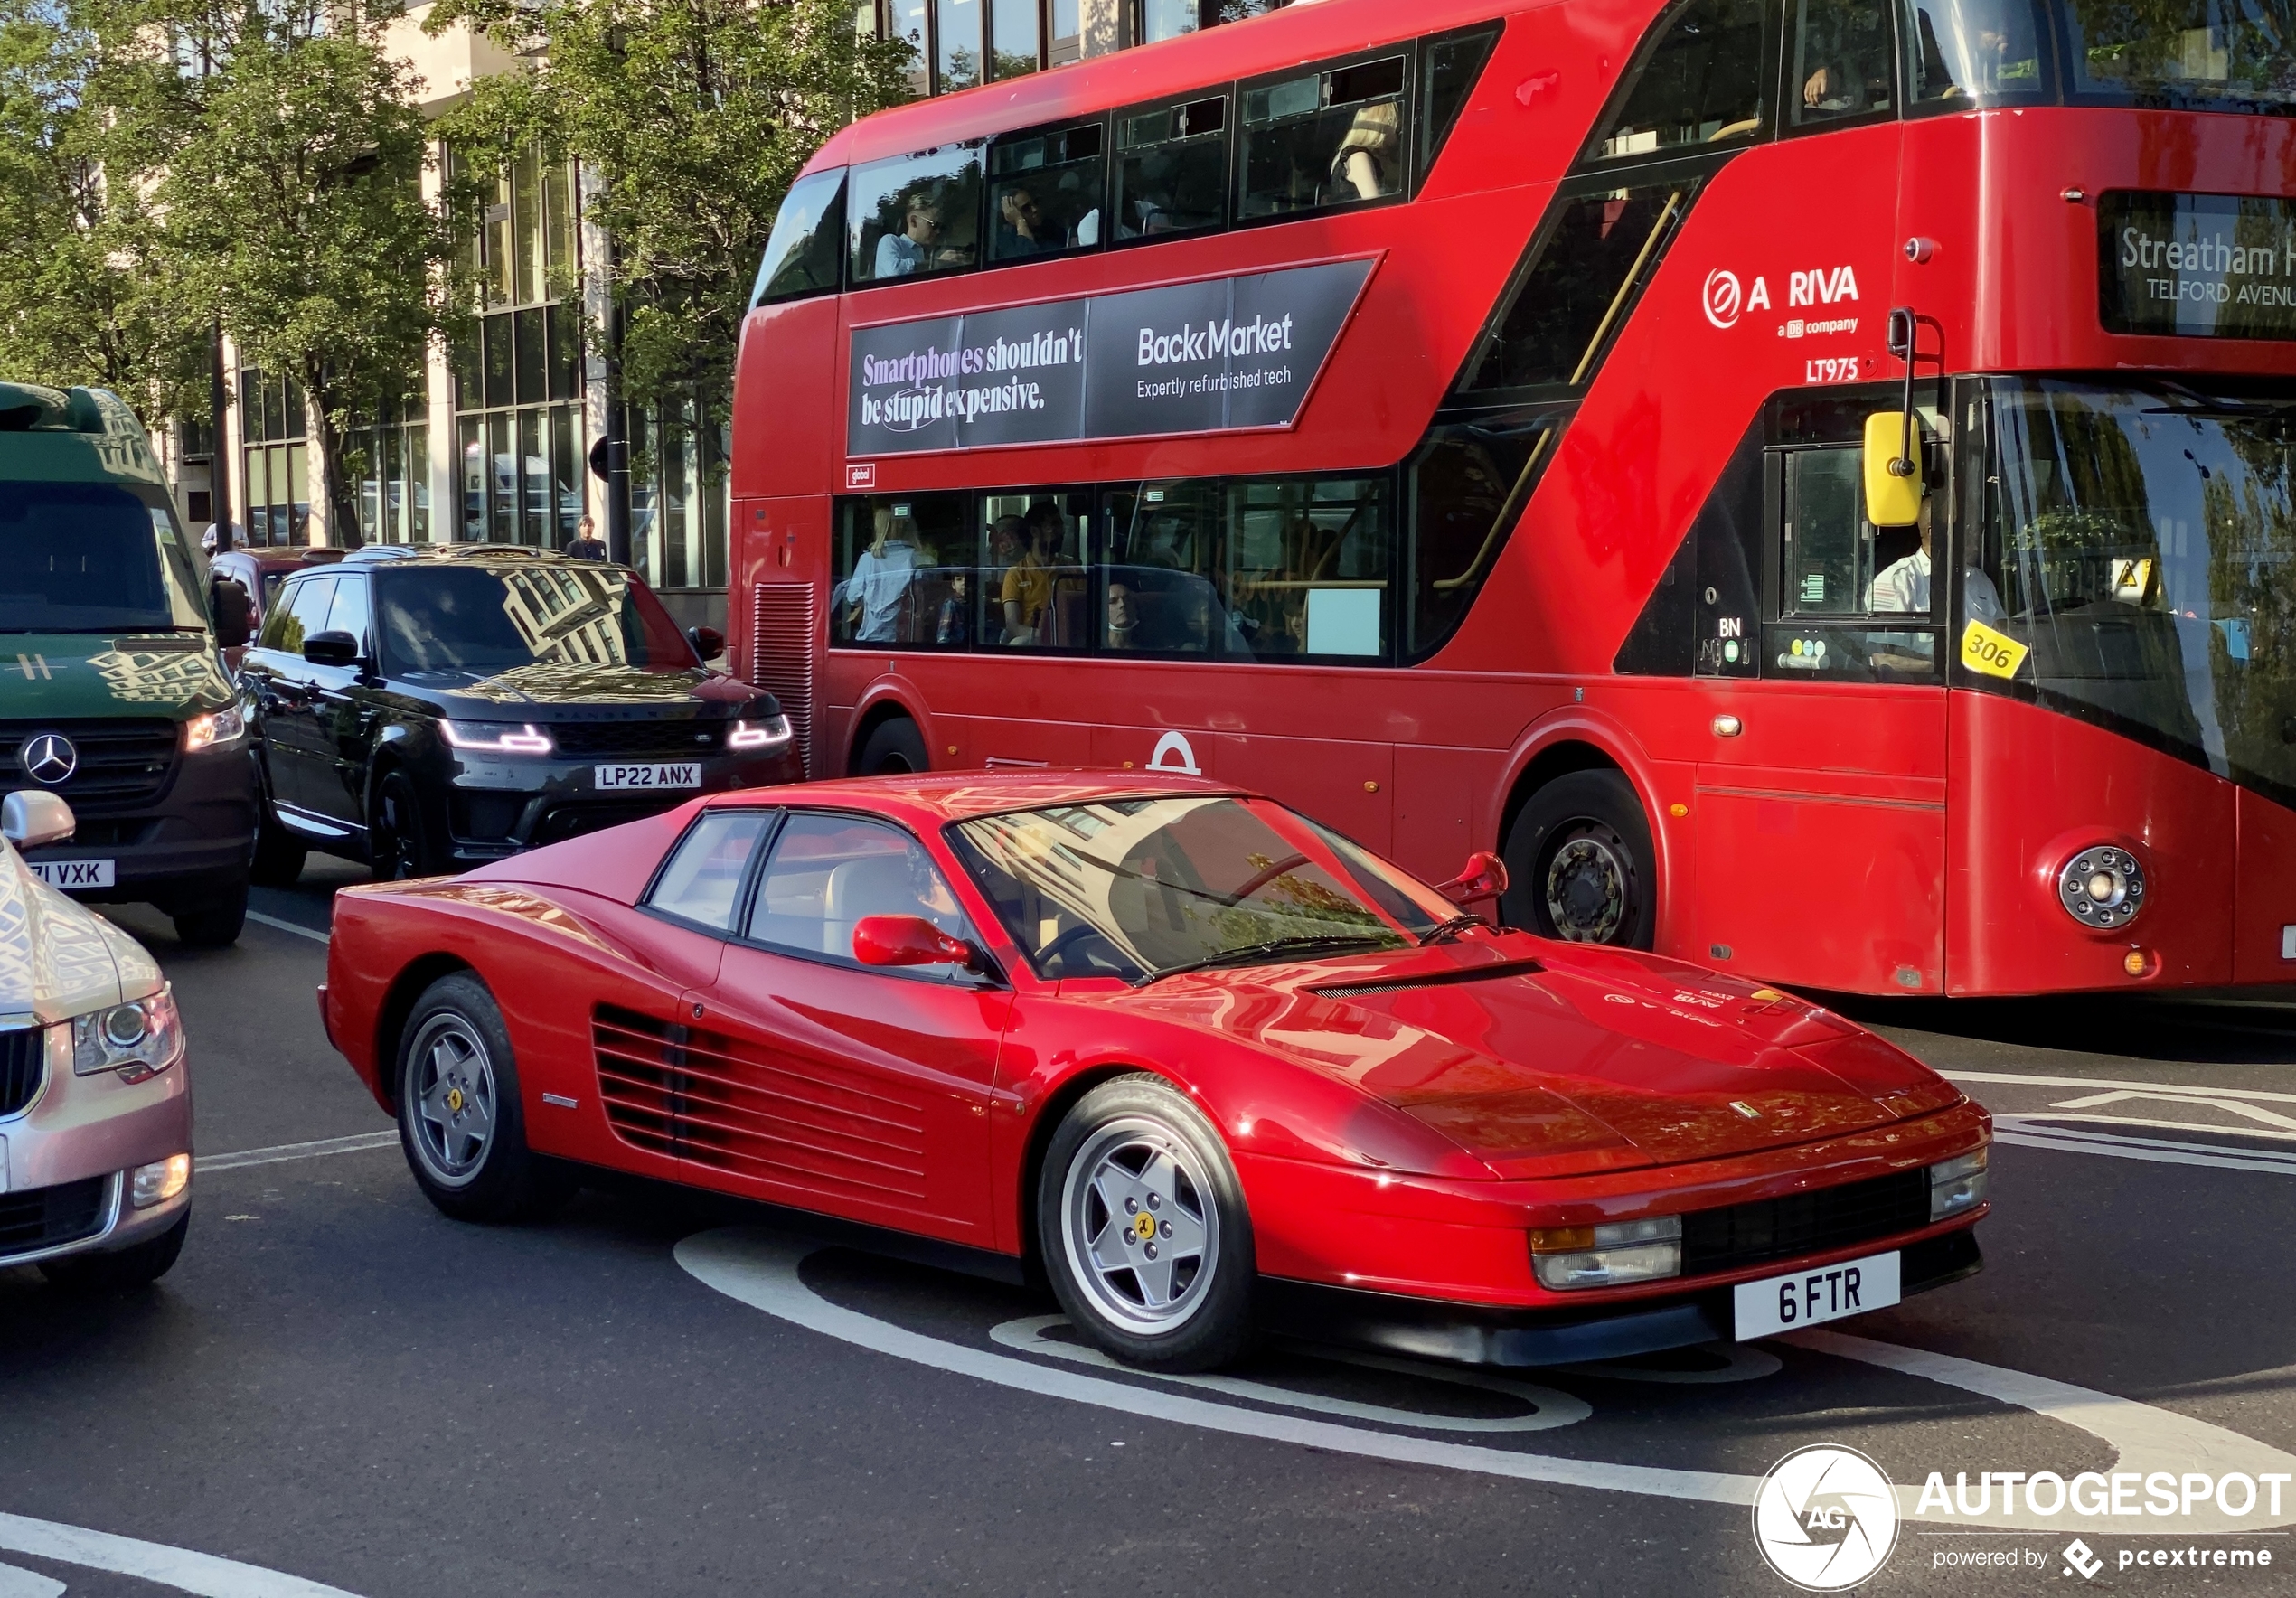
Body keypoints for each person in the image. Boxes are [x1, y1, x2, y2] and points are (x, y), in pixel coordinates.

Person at [1866, 494, 2007, 622]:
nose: (1976, 537)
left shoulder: (1980, 580)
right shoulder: (1898, 582)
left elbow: (2003, 634)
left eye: (1978, 528)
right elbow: (1883, 649)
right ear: (1936, 533)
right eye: (1967, 528)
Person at [845, 506, 921, 642]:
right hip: (907, 637)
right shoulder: (917, 558)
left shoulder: (867, 560)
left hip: (871, 636)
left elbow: (853, 597)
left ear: (879, 529)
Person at [1331, 99, 1401, 202]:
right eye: (1398, 127)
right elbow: (1375, 206)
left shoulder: (1356, 156)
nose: (1399, 134)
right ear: (1387, 124)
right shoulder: (1359, 158)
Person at [874, 196, 944, 278]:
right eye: (934, 225)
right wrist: (937, 263)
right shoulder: (890, 241)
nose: (938, 231)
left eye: (941, 226)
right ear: (913, 221)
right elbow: (895, 270)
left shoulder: (929, 253)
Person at [995, 184, 1055, 258]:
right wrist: (1019, 220)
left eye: (1035, 202)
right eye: (1026, 208)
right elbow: (1030, 257)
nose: (1034, 209)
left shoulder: (1049, 228)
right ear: (1011, 214)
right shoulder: (1006, 243)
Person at [1105, 577, 1143, 650]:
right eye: (1112, 601)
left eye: (1127, 599)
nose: (1122, 604)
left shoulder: (1152, 648)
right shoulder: (1087, 650)